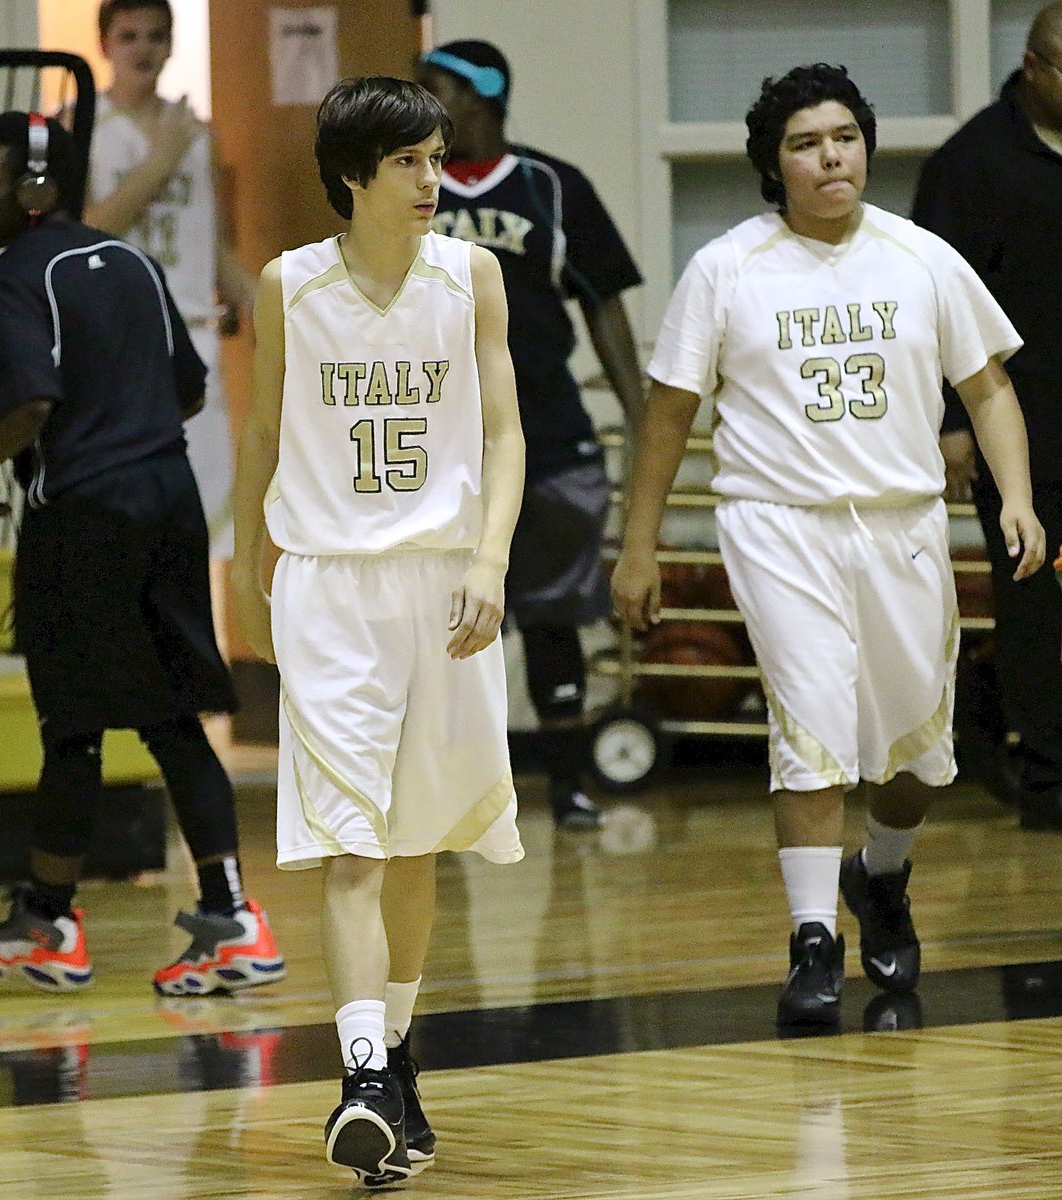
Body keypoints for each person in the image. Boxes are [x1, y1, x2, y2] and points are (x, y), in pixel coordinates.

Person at [612, 64, 1045, 1027]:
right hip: (777, 526)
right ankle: (813, 936)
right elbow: (669, 414)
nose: (830, 156)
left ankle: (879, 876)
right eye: (806, 144)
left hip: (904, 525)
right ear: (776, 165)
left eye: (843, 136)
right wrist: (638, 547)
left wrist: (1017, 497)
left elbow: (989, 392)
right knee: (808, 732)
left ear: (866, 145)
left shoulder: (921, 257)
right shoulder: (727, 267)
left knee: (914, 760)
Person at [232, 78, 525, 1184]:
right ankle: (358, 1077)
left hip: (444, 579)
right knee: (349, 841)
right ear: (354, 174)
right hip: (331, 585)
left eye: (436, 158)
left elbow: (504, 433)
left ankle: (393, 1056)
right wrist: (242, 558)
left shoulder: (472, 278)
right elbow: (261, 428)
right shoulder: (290, 287)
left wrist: (489, 561)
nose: (431, 180)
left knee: (414, 841)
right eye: (408, 162)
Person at [0, 112, 284, 998]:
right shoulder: (130, 263)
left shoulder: (8, 282)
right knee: (174, 715)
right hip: (168, 501)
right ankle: (231, 919)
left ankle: (50, 923)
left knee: (71, 723)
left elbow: (27, 407)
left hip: (87, 516)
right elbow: (187, 387)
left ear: (33, 190)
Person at [418, 40, 645, 830]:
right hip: (440, 444)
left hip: (547, 434)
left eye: (434, 87)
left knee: (551, 615)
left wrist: (643, 417)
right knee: (449, 621)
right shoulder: (408, 187)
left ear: (479, 96)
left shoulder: (552, 186)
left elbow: (605, 305)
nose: (423, 100)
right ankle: (452, 794)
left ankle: (569, 784)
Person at [912, 3, 1062, 830]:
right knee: (1036, 607)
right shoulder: (970, 163)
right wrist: (950, 421)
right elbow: (935, 305)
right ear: (1033, 69)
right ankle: (1043, 780)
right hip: (1022, 430)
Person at [81, 0, 255, 624]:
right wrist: (159, 161)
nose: (143, 49)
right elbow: (87, 232)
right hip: (116, 336)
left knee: (199, 513)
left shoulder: (194, 131)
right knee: (124, 509)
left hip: (194, 335)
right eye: (129, 36)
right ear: (105, 43)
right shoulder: (86, 126)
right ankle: (125, 652)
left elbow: (210, 246)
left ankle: (185, 665)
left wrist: (266, 306)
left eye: (156, 35)